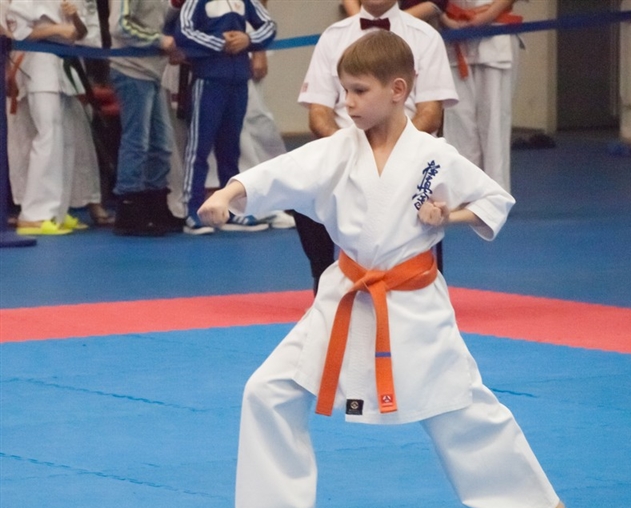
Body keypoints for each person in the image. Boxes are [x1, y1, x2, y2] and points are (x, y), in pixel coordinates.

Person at [198, 31, 591, 508]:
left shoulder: (433, 156)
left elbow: (493, 201)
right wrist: (228, 194)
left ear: (398, 90)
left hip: (413, 301)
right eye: (345, 90)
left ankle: (544, 506)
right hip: (345, 295)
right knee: (269, 390)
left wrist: (448, 216)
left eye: (360, 91)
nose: (348, 102)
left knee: (461, 405)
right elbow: (278, 174)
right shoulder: (337, 150)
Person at [297, 0, 458, 293]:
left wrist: (389, 150)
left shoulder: (425, 36)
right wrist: (347, 148)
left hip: (405, 151)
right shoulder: (333, 36)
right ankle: (322, 277)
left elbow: (431, 114)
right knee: (305, 184)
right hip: (345, 148)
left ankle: (418, 281)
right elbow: (318, 113)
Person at [173, 0, 277, 234]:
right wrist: (221, 43)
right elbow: (184, 32)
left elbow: (269, 25)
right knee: (198, 148)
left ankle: (233, 209)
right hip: (208, 80)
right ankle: (192, 210)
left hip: (238, 81)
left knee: (231, 150)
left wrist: (248, 40)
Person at [6, 0, 102, 235]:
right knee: (48, 137)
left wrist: (74, 19)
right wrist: (55, 29)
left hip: (65, 65)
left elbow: (84, 34)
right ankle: (34, 215)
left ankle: (57, 211)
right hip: (38, 65)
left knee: (66, 140)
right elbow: (16, 30)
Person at [109, 0, 177, 236]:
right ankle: (129, 207)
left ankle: (155, 204)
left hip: (152, 71)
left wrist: (176, 9)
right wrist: (160, 40)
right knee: (137, 141)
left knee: (161, 142)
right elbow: (120, 25)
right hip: (131, 70)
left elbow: (157, 18)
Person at [440, 0, 523, 190]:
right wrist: (444, 17)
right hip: (455, 31)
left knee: (494, 122)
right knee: (458, 120)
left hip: (496, 32)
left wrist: (489, 14)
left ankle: (496, 194)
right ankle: (462, 193)